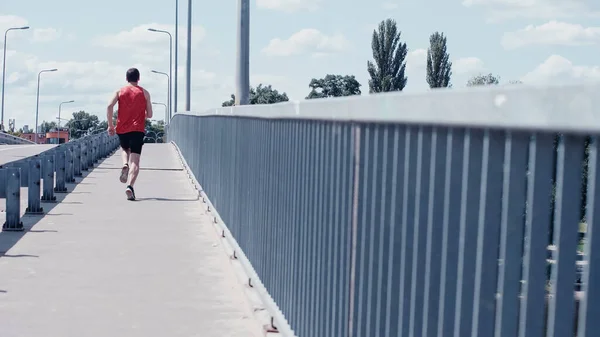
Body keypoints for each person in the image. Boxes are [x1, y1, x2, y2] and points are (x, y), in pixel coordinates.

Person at [106, 67, 153, 201]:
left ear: (126, 78)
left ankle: (125, 164)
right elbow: (149, 115)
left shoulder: (119, 91)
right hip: (137, 130)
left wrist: (110, 125)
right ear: (138, 79)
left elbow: (109, 106)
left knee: (125, 148)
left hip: (122, 128)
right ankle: (130, 186)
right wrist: (142, 114)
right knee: (136, 160)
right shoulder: (144, 93)